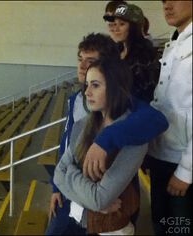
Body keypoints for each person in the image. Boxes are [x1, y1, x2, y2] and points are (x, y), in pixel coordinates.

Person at [46, 33, 168, 235]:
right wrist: (59, 187)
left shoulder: (132, 120)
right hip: (75, 204)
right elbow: (62, 159)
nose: (82, 66)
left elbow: (157, 120)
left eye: (90, 61)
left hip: (108, 219)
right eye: (80, 59)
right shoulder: (80, 107)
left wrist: (73, 182)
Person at [54, 55, 148, 235]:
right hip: (79, 220)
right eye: (87, 85)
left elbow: (100, 199)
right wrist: (89, 201)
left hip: (111, 230)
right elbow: (58, 175)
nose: (87, 92)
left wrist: (70, 173)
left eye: (95, 85)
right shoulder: (84, 124)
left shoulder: (135, 135)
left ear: (115, 88)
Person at [82, 2, 162, 192]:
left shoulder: (146, 56)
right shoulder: (116, 52)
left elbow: (142, 100)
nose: (114, 27)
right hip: (115, 119)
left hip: (131, 123)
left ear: (133, 27)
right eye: (112, 23)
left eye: (121, 24)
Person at [147, 1, 192, 235]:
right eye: (164, 0)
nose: (167, 5)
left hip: (182, 165)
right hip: (162, 157)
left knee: (180, 229)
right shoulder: (176, 43)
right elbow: (163, 103)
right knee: (161, 225)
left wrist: (186, 172)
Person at [103, 3, 159, 103]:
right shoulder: (117, 50)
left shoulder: (145, 54)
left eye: (122, 24)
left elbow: (144, 94)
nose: (116, 29)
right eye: (115, 24)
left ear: (134, 27)